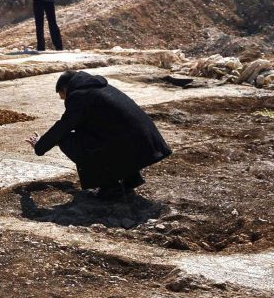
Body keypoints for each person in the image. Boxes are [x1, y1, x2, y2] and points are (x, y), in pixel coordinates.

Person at [26, 71, 172, 201]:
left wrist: (40, 146)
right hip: (147, 142)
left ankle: (110, 187)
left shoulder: (79, 96)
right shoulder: (99, 88)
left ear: (65, 89)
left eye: (63, 97)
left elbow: (63, 127)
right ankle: (131, 179)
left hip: (131, 144)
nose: (65, 101)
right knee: (93, 134)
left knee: (66, 139)